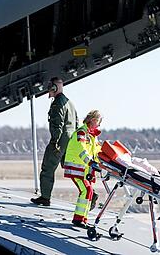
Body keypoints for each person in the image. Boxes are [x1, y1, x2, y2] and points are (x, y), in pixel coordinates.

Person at [30, 77, 78, 206]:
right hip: (71, 140)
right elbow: (76, 123)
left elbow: (57, 124)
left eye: (50, 87)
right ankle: (89, 192)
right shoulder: (70, 103)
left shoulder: (58, 103)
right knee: (71, 169)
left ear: (54, 87)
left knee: (47, 168)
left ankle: (45, 197)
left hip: (60, 140)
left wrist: (55, 141)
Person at [63, 110, 103, 228]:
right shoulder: (82, 133)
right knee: (86, 191)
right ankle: (78, 219)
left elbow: (97, 152)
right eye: (99, 122)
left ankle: (83, 219)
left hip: (85, 170)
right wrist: (90, 162)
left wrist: (103, 162)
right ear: (93, 120)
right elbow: (82, 150)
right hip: (77, 168)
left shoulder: (92, 136)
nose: (99, 125)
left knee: (89, 192)